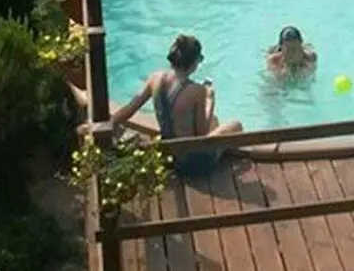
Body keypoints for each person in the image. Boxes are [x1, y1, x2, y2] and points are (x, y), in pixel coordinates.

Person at [79, 34, 242, 177]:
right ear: (193, 63)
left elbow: (130, 108)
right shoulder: (197, 91)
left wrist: (109, 123)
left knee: (215, 120)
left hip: (170, 155)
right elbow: (202, 135)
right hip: (194, 164)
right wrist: (210, 101)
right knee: (236, 125)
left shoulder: (155, 78)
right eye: (199, 59)